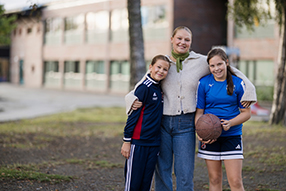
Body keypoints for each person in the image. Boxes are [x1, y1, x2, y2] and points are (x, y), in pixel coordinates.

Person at [125, 26, 256, 191]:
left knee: (185, 173)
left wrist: (250, 91)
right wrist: (131, 99)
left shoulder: (201, 61)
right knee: (162, 170)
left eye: (187, 39)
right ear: (172, 39)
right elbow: (144, 81)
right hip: (162, 123)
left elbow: (230, 70)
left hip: (186, 123)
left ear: (191, 42)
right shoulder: (162, 62)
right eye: (179, 38)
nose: (182, 42)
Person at [195, 48, 251, 191]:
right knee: (214, 179)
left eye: (219, 64)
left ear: (226, 63)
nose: (216, 69)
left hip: (232, 136)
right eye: (212, 66)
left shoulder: (239, 83)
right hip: (210, 137)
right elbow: (199, 112)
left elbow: (246, 113)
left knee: (236, 181)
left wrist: (231, 123)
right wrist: (200, 133)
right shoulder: (203, 83)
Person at [121, 55, 171, 191]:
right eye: (158, 67)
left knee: (146, 184)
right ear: (151, 67)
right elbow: (132, 116)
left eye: (165, 69)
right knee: (133, 184)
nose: (161, 71)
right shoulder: (144, 87)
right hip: (138, 143)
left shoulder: (159, 88)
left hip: (153, 144)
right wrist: (127, 141)